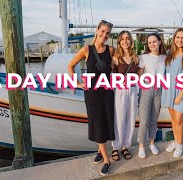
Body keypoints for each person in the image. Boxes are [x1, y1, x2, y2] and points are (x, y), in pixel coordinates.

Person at [68, 20, 115, 176]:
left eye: (107, 33)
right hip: (92, 94)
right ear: (97, 30)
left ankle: (100, 151)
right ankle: (107, 160)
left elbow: (113, 69)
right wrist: (77, 83)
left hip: (107, 92)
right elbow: (70, 66)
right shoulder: (86, 49)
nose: (104, 35)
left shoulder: (111, 50)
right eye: (102, 31)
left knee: (106, 121)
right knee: (97, 122)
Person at [161, 28, 183, 158]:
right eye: (178, 37)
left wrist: (181, 94)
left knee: (179, 119)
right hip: (169, 90)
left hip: (182, 91)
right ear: (174, 38)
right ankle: (175, 142)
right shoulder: (169, 53)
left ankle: (180, 145)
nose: (180, 40)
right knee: (173, 119)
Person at [111, 30, 139, 161]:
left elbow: (139, 76)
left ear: (131, 41)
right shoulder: (116, 58)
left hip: (133, 91)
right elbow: (109, 76)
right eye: (122, 39)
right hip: (120, 91)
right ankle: (115, 147)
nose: (125, 41)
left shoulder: (136, 58)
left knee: (130, 118)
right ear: (119, 42)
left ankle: (125, 146)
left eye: (127, 38)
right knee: (119, 119)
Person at [137, 33, 166, 158]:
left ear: (159, 42)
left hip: (159, 88)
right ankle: (141, 146)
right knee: (144, 120)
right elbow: (139, 75)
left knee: (154, 119)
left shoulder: (165, 57)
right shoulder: (144, 57)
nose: (152, 44)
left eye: (154, 41)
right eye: (149, 43)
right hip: (146, 88)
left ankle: (152, 142)